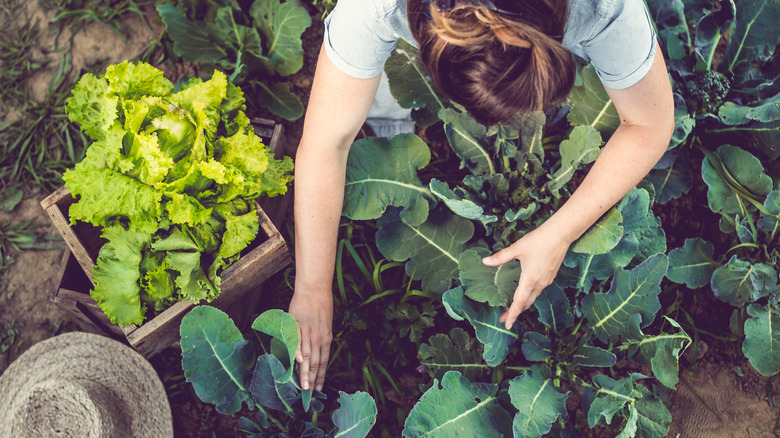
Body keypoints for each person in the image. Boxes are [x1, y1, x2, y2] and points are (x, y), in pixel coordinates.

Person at [288, 0, 674, 393]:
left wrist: (559, 233)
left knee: (624, 80)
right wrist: (312, 286)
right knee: (374, 100)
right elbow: (326, 142)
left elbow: (650, 123)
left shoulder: (604, 7)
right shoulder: (374, 8)